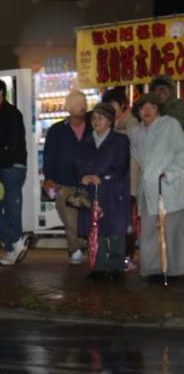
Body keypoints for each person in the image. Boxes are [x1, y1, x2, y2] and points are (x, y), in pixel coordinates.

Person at [129, 92, 184, 281]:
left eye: (152, 106)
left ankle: (173, 270)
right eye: (143, 107)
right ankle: (153, 270)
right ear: (137, 111)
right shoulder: (136, 133)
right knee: (150, 233)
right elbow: (138, 160)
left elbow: (181, 152)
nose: (147, 110)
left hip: (169, 186)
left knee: (171, 231)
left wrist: (170, 174)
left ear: (159, 109)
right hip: (148, 189)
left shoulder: (170, 125)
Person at [75, 102, 131, 280]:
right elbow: (78, 163)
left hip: (114, 190)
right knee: (95, 228)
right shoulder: (86, 140)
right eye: (93, 117)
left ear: (109, 121)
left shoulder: (120, 140)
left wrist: (104, 177)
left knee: (115, 229)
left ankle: (116, 267)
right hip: (92, 190)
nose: (95, 121)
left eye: (100, 117)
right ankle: (98, 267)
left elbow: (122, 166)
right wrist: (83, 176)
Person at [0, 77, 30, 265]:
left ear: (0, 92)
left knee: (10, 207)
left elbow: (12, 142)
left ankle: (14, 245)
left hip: (11, 166)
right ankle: (15, 243)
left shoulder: (11, 113)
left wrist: (0, 159)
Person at [42, 89, 92, 265]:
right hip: (63, 180)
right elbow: (49, 155)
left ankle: (84, 246)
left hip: (88, 181)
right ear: (69, 107)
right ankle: (76, 249)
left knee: (86, 217)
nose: (81, 107)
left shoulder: (93, 127)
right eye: (77, 103)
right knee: (69, 219)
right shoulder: (56, 130)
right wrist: (49, 177)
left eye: (83, 103)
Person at [103, 87, 141, 267]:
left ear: (123, 104)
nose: (110, 107)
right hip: (119, 180)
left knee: (128, 220)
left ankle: (128, 257)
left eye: (113, 104)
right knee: (122, 218)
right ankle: (123, 255)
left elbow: (132, 148)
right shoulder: (116, 122)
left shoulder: (130, 121)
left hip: (130, 179)